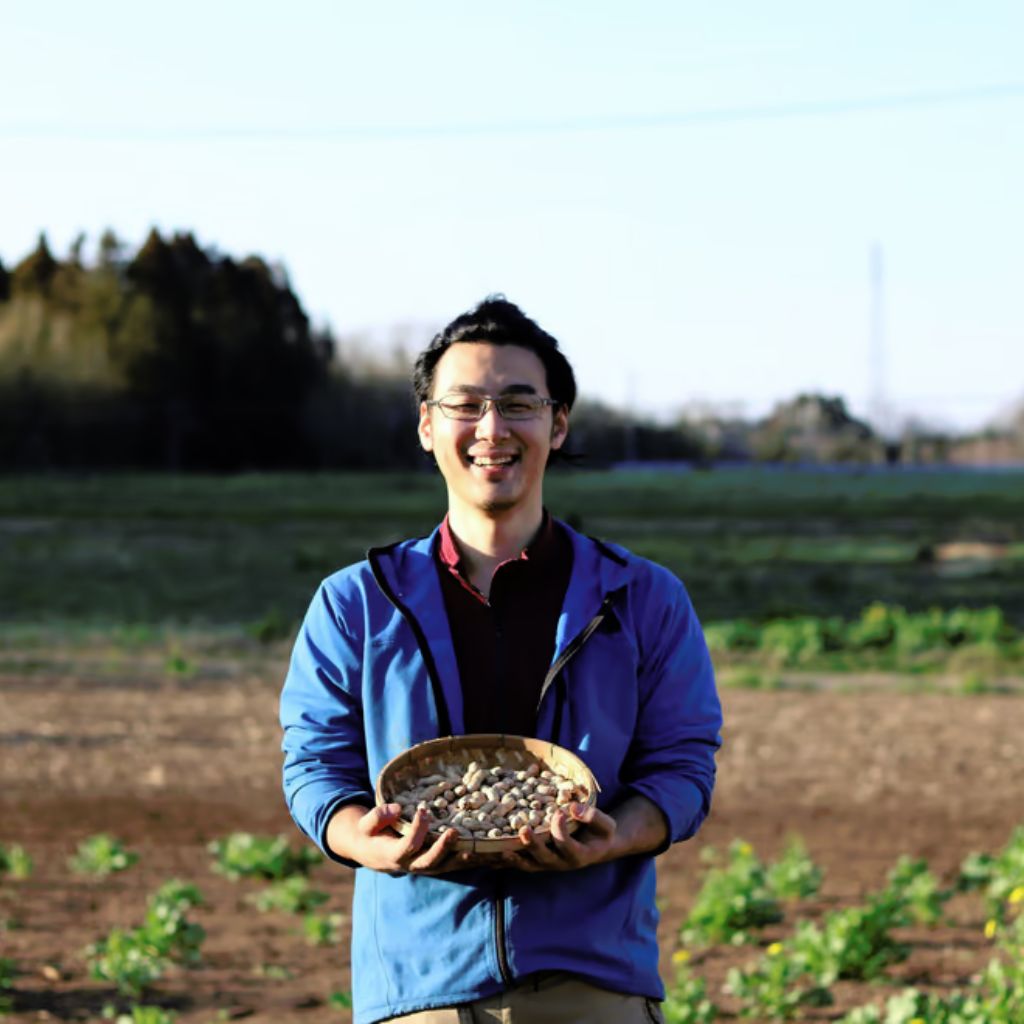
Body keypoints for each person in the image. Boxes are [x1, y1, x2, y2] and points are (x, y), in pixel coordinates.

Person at [279, 296, 722, 1024]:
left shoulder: (642, 598)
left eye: (518, 403)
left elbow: (682, 767)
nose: (492, 429)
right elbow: (314, 762)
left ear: (558, 423)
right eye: (465, 405)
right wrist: (358, 836)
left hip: (593, 984)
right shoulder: (356, 602)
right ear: (427, 426)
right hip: (419, 987)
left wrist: (612, 840)